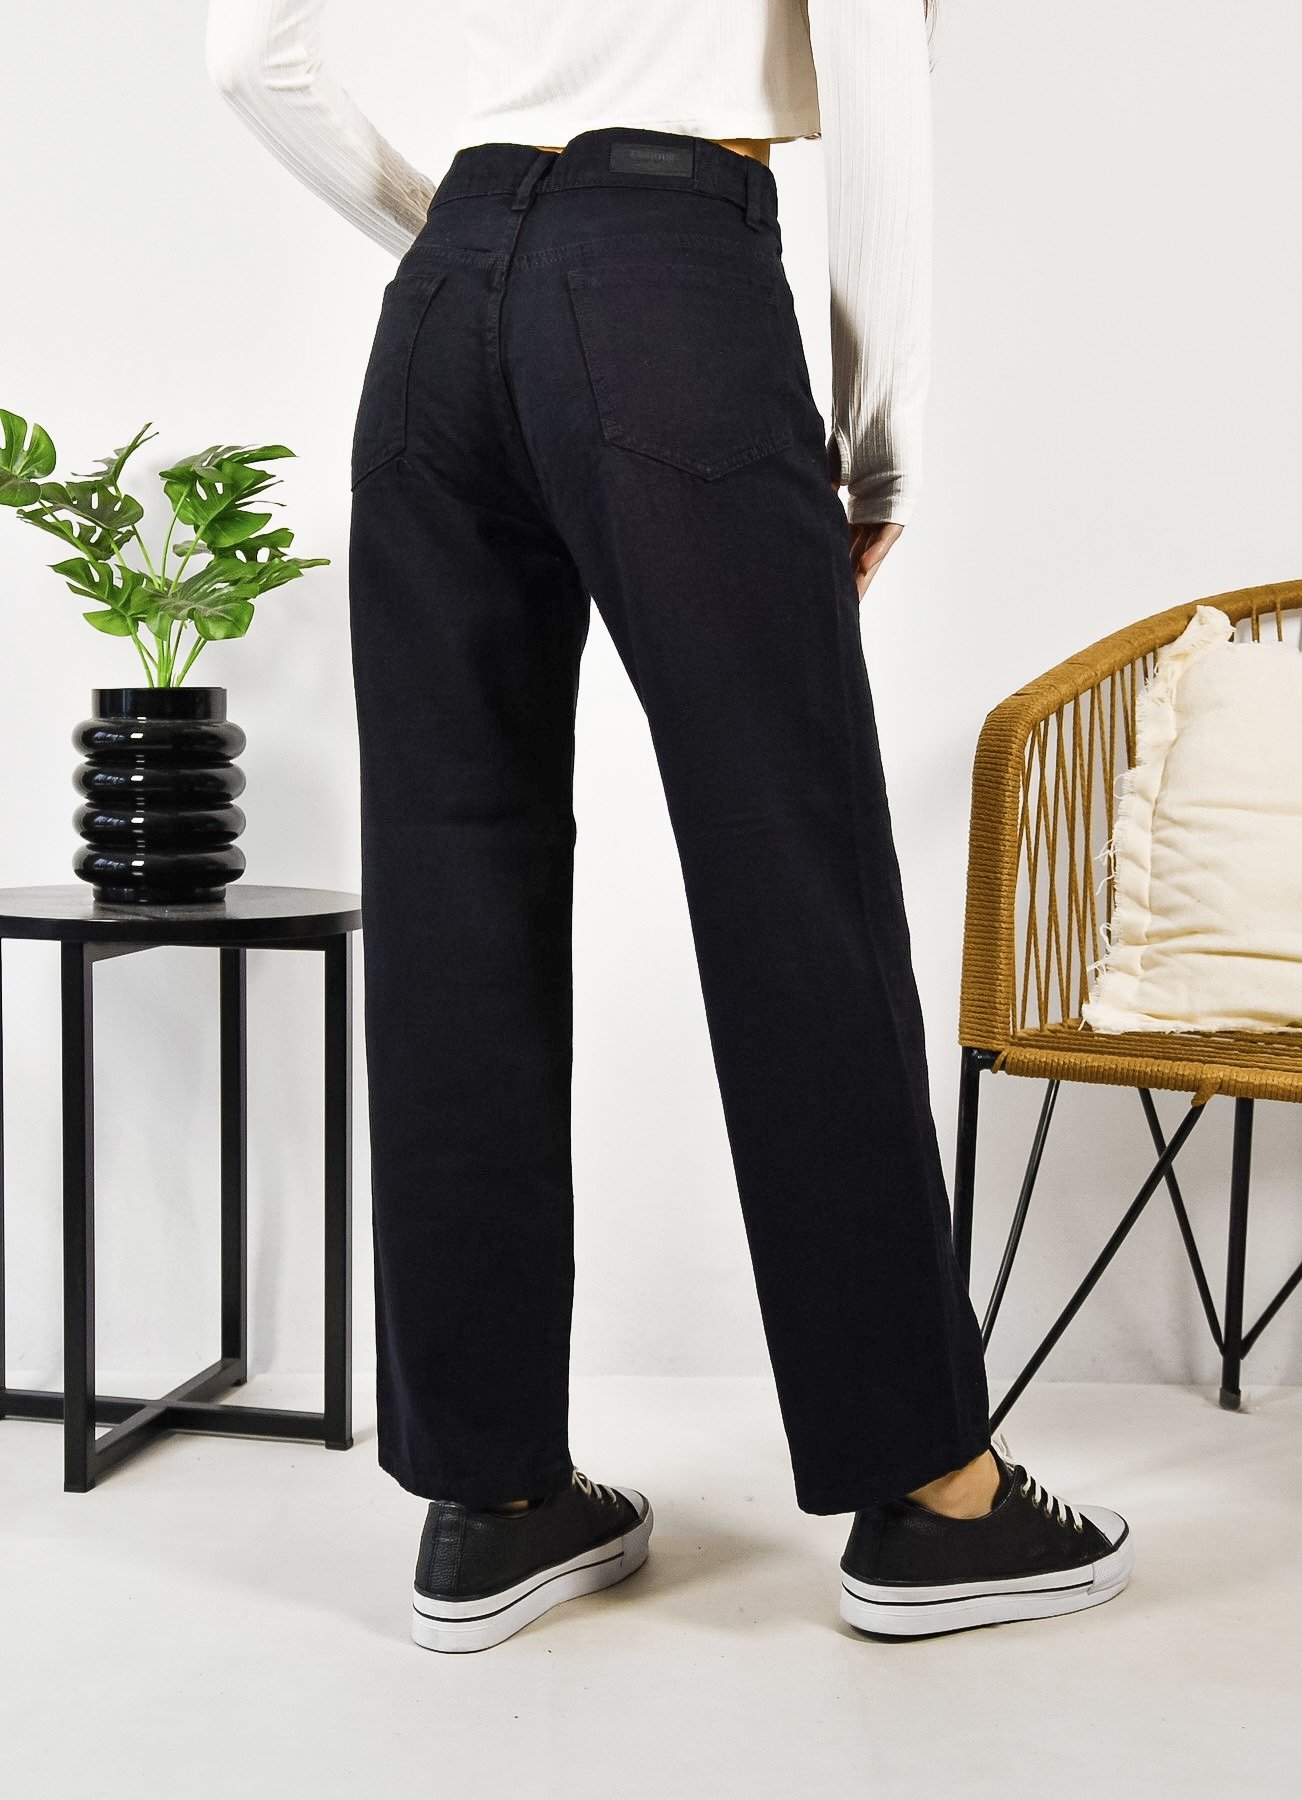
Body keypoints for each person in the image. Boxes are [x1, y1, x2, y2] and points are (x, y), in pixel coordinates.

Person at [205, 0, 1133, 1653]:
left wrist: (463, 241)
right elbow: (875, 78)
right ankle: (935, 1496)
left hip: (440, 310)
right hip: (669, 280)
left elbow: (245, 56)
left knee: (450, 893)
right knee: (794, 876)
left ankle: (489, 1506)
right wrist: (881, 441)